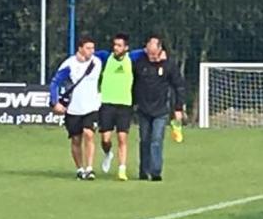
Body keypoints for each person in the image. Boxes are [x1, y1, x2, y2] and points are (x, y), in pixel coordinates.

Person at [132, 34, 185, 181]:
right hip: (143, 109)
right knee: (144, 140)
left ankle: (155, 172)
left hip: (161, 110)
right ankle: (144, 171)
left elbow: (178, 86)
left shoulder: (168, 65)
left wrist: (178, 108)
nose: (152, 56)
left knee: (156, 140)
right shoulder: (139, 64)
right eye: (149, 52)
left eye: (154, 53)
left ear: (160, 50)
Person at [94, 33, 146, 181]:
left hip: (124, 104)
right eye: (115, 45)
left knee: (122, 137)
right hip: (107, 103)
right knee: (105, 138)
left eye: (119, 45)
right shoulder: (106, 57)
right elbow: (89, 53)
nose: (116, 48)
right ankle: (107, 153)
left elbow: (147, 50)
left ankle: (122, 169)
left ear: (126, 48)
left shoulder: (131, 58)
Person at [49, 36, 102, 180]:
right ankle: (80, 169)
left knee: (89, 134)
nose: (91, 51)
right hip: (73, 108)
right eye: (88, 48)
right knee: (76, 139)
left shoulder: (97, 61)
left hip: (92, 106)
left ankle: (90, 168)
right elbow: (55, 83)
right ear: (80, 49)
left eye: (93, 48)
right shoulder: (69, 64)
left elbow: (122, 55)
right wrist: (55, 103)